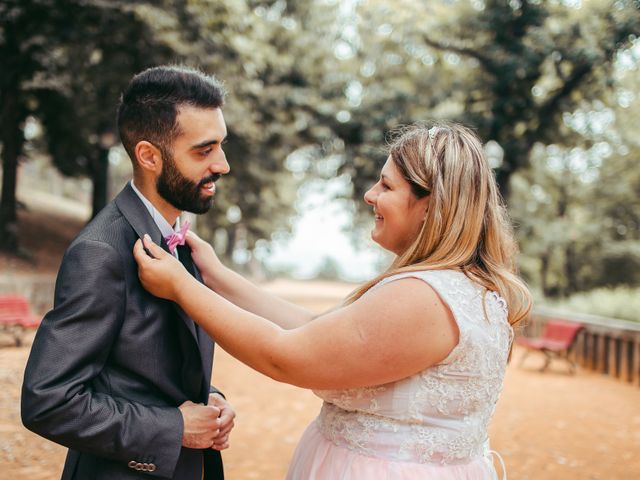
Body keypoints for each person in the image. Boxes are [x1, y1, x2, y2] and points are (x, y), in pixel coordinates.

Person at [134, 123, 532, 479]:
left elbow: (285, 355)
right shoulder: (460, 287)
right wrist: (216, 276)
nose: (369, 195)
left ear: (430, 207)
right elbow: (316, 327)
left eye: (387, 186)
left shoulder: (423, 297)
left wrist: (181, 288)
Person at [21, 65, 236, 480]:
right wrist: (174, 428)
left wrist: (209, 399)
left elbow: (143, 372)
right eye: (204, 150)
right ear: (149, 156)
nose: (223, 165)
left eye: (221, 146)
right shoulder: (100, 251)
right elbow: (48, 400)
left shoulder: (181, 242)